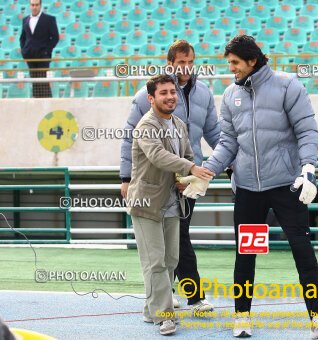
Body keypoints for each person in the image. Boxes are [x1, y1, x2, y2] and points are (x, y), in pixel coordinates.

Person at [180, 35, 318, 339]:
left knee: (302, 250)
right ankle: (242, 318)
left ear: (252, 60)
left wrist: (307, 168)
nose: (231, 70)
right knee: (247, 254)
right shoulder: (229, 95)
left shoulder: (288, 85)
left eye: (235, 63)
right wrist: (206, 172)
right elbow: (228, 143)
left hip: (287, 187)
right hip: (249, 190)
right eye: (229, 64)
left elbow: (307, 130)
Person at [120, 40, 220, 314]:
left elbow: (215, 133)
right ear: (170, 63)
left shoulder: (204, 94)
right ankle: (191, 296)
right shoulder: (146, 95)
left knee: (176, 242)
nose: (186, 68)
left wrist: (229, 161)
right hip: (154, 182)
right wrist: (126, 177)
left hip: (187, 181)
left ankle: (167, 295)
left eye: (190, 62)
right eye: (181, 63)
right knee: (168, 245)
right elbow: (131, 135)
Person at [19, 0, 59, 98]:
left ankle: (48, 102)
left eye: (37, 5)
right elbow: (23, 38)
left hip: (43, 55)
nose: (35, 7)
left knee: (42, 80)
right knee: (34, 80)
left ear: (40, 5)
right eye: (33, 5)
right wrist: (24, 51)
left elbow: (55, 37)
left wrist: (47, 51)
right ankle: (37, 102)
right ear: (30, 6)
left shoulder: (49, 19)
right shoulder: (25, 20)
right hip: (30, 55)